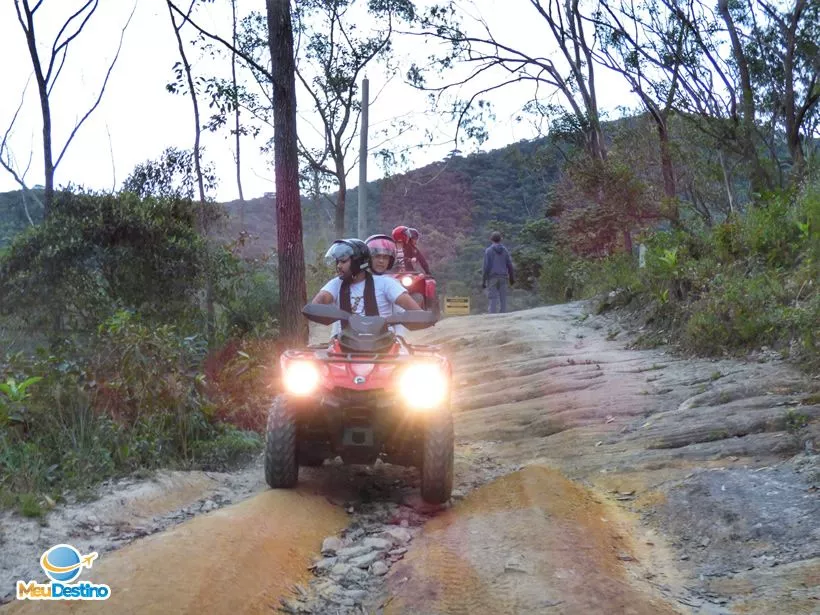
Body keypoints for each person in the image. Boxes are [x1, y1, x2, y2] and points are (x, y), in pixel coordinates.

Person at [312, 238, 421, 338]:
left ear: (358, 263)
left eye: (343, 261)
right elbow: (319, 302)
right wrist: (319, 309)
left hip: (384, 344)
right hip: (344, 344)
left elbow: (416, 312)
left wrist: (417, 318)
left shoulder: (387, 283)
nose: (339, 266)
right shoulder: (336, 284)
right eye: (338, 262)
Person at [482, 231, 515, 314]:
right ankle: (503, 317)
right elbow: (509, 265)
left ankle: (492, 318)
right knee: (503, 298)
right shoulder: (505, 250)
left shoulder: (488, 251)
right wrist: (511, 278)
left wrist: (484, 280)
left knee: (493, 298)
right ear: (501, 239)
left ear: (491, 239)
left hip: (492, 277)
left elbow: (486, 267)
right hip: (503, 277)